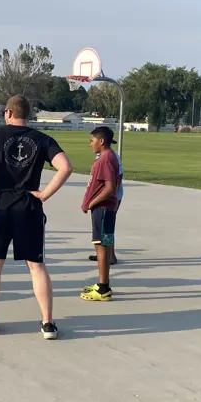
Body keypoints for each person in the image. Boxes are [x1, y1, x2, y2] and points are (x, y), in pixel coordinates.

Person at [0, 94, 72, 340]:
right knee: (36, 266)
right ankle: (48, 323)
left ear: (8, 112)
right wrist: (43, 194)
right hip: (28, 207)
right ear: (28, 114)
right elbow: (65, 167)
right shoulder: (42, 139)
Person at [80, 126, 123, 301]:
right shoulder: (107, 157)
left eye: (92, 141)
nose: (90, 144)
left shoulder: (106, 159)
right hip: (103, 209)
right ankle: (102, 283)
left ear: (101, 141)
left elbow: (110, 188)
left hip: (103, 209)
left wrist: (92, 202)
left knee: (101, 246)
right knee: (101, 245)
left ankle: (103, 288)